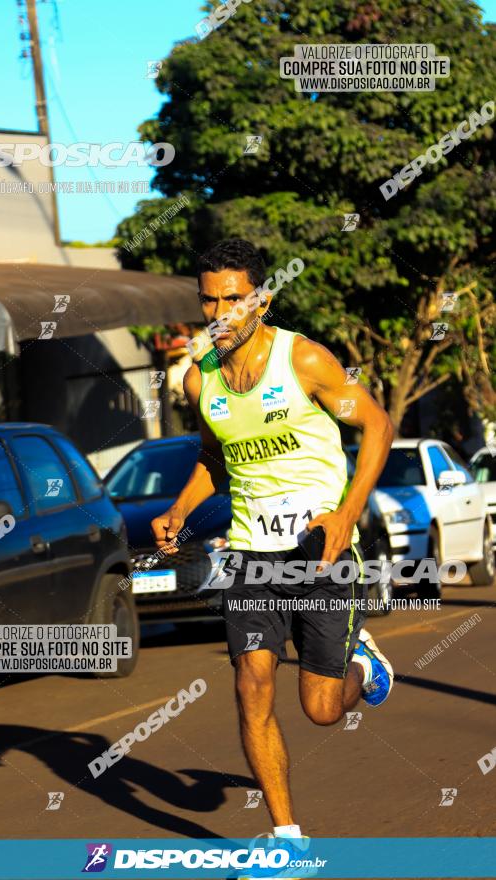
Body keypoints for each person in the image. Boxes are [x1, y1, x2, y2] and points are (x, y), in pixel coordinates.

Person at [151, 239, 394, 869]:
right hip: (254, 553)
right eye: (209, 298)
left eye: (233, 298)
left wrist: (347, 514)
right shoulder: (201, 378)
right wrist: (180, 508)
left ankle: (362, 668)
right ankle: (287, 835)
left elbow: (377, 425)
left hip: (321, 550)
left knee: (320, 709)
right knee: (251, 680)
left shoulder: (304, 360)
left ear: (261, 297)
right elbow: (214, 457)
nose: (220, 311)